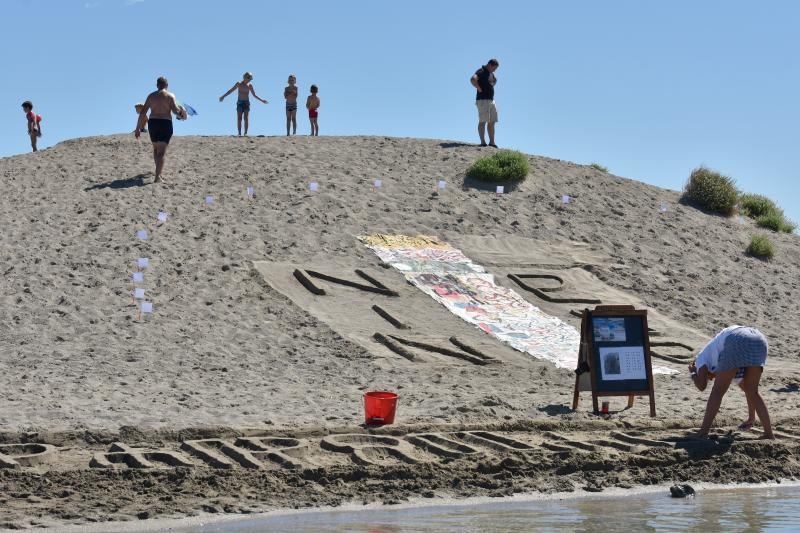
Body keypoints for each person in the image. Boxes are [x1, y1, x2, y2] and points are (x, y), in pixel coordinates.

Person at [688, 325, 774, 439]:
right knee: (752, 390)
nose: (711, 379)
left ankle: (703, 432)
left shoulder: (700, 360)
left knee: (717, 391)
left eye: (709, 377)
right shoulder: (724, 360)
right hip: (759, 340)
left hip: (737, 339)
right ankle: (769, 434)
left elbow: (702, 386)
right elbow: (748, 391)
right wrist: (751, 418)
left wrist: (693, 373)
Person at [134, 76, 186, 184]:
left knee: (156, 150)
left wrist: (137, 128)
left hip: (153, 123)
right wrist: (182, 112)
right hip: (165, 122)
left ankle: (158, 172)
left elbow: (143, 113)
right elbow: (176, 111)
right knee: (161, 152)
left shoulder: (151, 96)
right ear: (167, 85)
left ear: (157, 85)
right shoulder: (170, 96)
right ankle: (157, 176)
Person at [470, 58, 499, 148]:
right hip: (483, 100)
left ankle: (492, 142)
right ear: (490, 65)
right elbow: (473, 79)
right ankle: (483, 142)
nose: (495, 70)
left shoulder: (490, 73)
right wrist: (479, 88)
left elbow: (495, 80)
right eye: (494, 68)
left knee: (492, 121)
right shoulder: (481, 71)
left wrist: (492, 82)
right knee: (483, 121)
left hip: (491, 100)